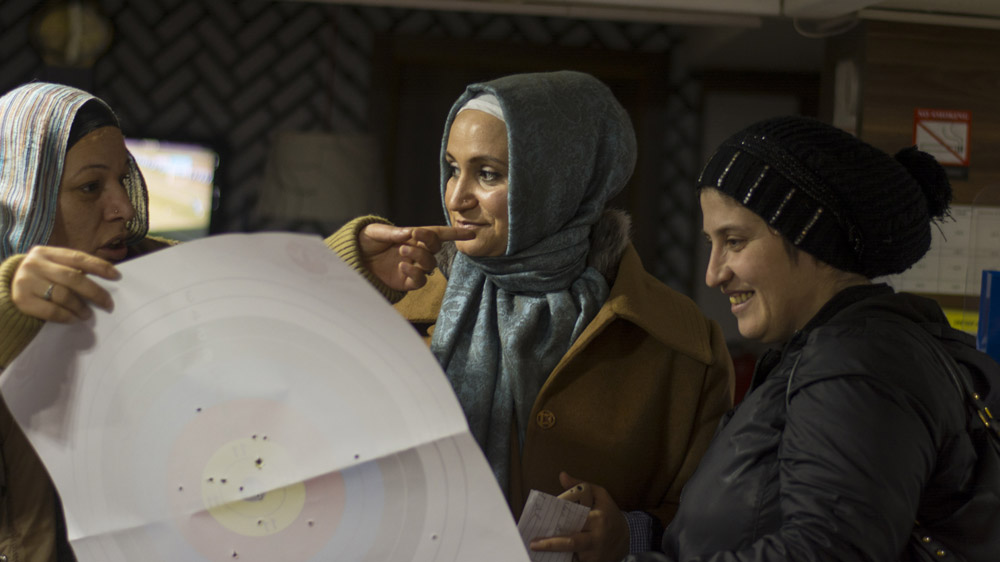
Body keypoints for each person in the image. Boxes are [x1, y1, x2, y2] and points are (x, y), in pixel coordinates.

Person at [0, 82, 429, 562]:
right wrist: (10, 305)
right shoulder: (10, 290)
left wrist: (353, 265)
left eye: (123, 178)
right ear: (22, 195)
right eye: (89, 188)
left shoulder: (147, 267)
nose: (123, 207)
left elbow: (258, 293)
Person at [329, 70, 735, 561]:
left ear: (559, 181)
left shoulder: (681, 344)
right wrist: (347, 270)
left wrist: (628, 535)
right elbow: (272, 393)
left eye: (488, 173)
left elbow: (715, 523)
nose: (455, 198)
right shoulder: (399, 299)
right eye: (452, 168)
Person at [606, 115, 1000, 561]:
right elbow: (752, 526)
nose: (714, 274)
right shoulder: (848, 352)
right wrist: (629, 537)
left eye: (734, 241)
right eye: (711, 243)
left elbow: (826, 552)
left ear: (810, 235)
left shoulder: (856, 366)